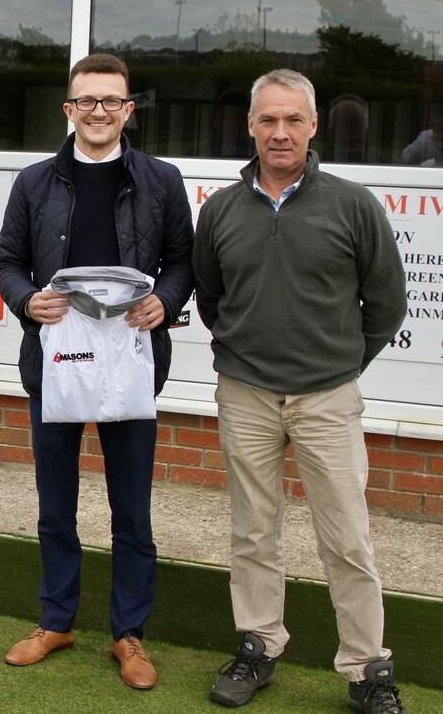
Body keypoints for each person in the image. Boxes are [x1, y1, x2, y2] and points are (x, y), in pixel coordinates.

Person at [195, 69, 410, 714]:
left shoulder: (352, 205)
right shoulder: (221, 210)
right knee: (253, 530)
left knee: (347, 536)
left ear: (313, 126)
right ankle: (258, 644)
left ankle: (368, 669)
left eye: (293, 120)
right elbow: (212, 299)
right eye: (268, 120)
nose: (280, 133)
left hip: (326, 398)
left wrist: (338, 363)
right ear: (251, 126)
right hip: (246, 393)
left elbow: (387, 305)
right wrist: (248, 353)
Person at [0, 53, 194, 690]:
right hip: (56, 363)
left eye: (111, 101)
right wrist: (28, 300)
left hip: (132, 362)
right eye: (87, 101)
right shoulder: (34, 182)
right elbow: (7, 262)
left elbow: (184, 261)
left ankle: (128, 636)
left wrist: (169, 298)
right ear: (69, 110)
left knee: (130, 510)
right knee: (56, 506)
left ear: (129, 110)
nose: (99, 111)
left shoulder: (161, 180)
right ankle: (57, 621)